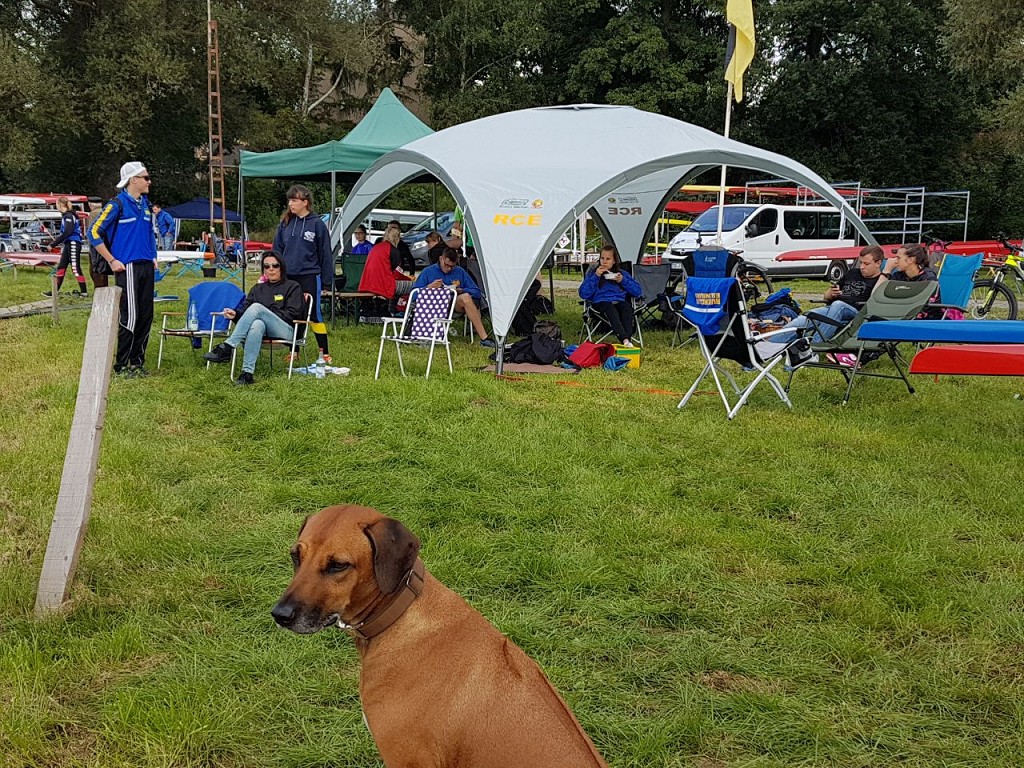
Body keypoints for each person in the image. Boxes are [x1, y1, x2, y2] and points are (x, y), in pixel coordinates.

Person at [89, 161, 158, 378]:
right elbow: (94, 233)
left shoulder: (146, 204)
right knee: (130, 316)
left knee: (146, 315)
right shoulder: (116, 204)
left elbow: (150, 232)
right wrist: (111, 260)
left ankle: (137, 362)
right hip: (127, 266)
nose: (149, 182)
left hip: (146, 265)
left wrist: (153, 255)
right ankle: (122, 365)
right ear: (133, 180)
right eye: (146, 178)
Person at [203, 252, 304, 386]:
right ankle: (247, 374)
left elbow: (294, 313)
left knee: (257, 308)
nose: (271, 269)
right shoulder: (257, 289)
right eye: (266, 266)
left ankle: (228, 346)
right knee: (257, 324)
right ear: (263, 269)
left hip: (287, 330)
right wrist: (236, 315)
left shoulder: (293, 286)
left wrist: (267, 314)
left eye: (275, 265)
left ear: (282, 267)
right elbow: (246, 309)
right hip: (263, 330)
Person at [774, 245, 884, 347]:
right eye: (860, 263)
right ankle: (768, 346)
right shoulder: (852, 273)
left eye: (866, 264)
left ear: (878, 263)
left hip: (856, 312)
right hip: (832, 310)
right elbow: (826, 297)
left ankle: (814, 346)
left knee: (839, 305)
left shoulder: (881, 280)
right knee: (803, 319)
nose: (862, 267)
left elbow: (875, 300)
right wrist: (831, 293)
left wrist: (887, 271)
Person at [272, 184, 333, 361]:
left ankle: (324, 352)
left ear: (305, 202)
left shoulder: (317, 224)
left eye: (294, 200)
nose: (290, 204)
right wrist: (274, 271)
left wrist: (327, 281)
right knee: (293, 312)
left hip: (309, 275)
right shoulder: (285, 223)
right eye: (289, 200)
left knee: (313, 314)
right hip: (288, 276)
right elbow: (277, 250)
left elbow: (325, 253)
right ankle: (294, 351)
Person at [413, 246, 495, 347]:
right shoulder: (428, 271)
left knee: (466, 298)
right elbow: (414, 295)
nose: (449, 269)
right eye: (446, 265)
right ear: (441, 259)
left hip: (453, 303)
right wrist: (429, 288)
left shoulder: (459, 271)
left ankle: (484, 338)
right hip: (434, 305)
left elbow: (477, 292)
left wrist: (462, 290)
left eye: (452, 266)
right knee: (464, 298)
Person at [578, 244, 642, 346]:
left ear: (614, 261)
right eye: (602, 258)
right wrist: (596, 276)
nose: (604, 261)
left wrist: (622, 280)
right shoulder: (593, 274)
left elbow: (638, 291)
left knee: (627, 308)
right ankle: (625, 340)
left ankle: (627, 339)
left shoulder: (622, 274)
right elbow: (583, 294)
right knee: (610, 309)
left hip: (619, 301)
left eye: (608, 259)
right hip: (600, 302)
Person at [43, 196, 88, 297]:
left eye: (56, 204)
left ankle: (84, 291)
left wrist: (53, 244)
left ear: (60, 205)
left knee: (75, 267)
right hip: (68, 243)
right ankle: (54, 291)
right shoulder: (66, 216)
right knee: (61, 267)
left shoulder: (69, 216)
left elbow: (67, 232)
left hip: (73, 243)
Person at [359, 226, 414, 306]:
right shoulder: (393, 251)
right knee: (415, 286)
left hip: (367, 284)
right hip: (383, 285)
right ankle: (405, 309)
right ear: (397, 238)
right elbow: (396, 273)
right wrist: (408, 278)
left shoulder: (376, 247)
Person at [85, 197, 110, 289]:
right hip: (105, 244)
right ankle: (104, 289)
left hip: (96, 246)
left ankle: (100, 291)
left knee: (96, 270)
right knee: (103, 269)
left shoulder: (93, 214)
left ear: (90, 205)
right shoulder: (104, 212)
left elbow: (92, 231)